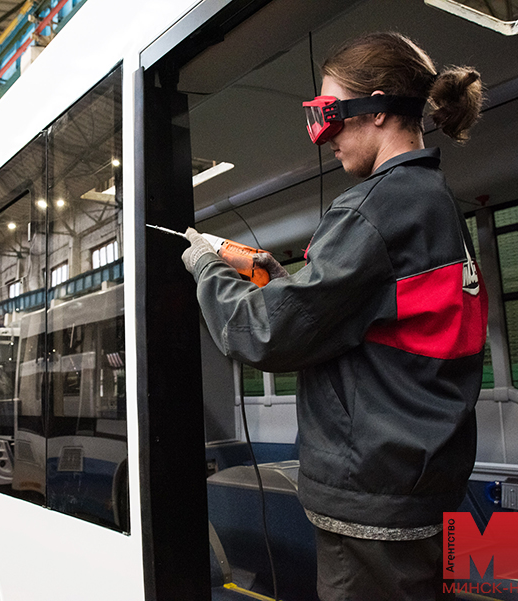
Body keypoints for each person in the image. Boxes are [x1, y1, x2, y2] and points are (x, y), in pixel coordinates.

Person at [181, 32, 487, 601]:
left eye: (327, 116)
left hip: (374, 503)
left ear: (372, 108)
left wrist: (207, 269)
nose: (324, 139)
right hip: (417, 489)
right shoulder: (432, 199)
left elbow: (266, 335)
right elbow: (364, 322)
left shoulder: (375, 207)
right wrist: (283, 282)